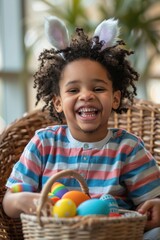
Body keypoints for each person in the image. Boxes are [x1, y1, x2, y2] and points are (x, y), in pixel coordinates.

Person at [2, 16, 160, 239]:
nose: (86, 95)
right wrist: (25, 200)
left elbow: (153, 201)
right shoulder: (43, 143)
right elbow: (9, 202)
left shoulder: (128, 148)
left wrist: (155, 206)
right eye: (73, 90)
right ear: (58, 102)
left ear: (115, 99)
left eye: (97, 88)